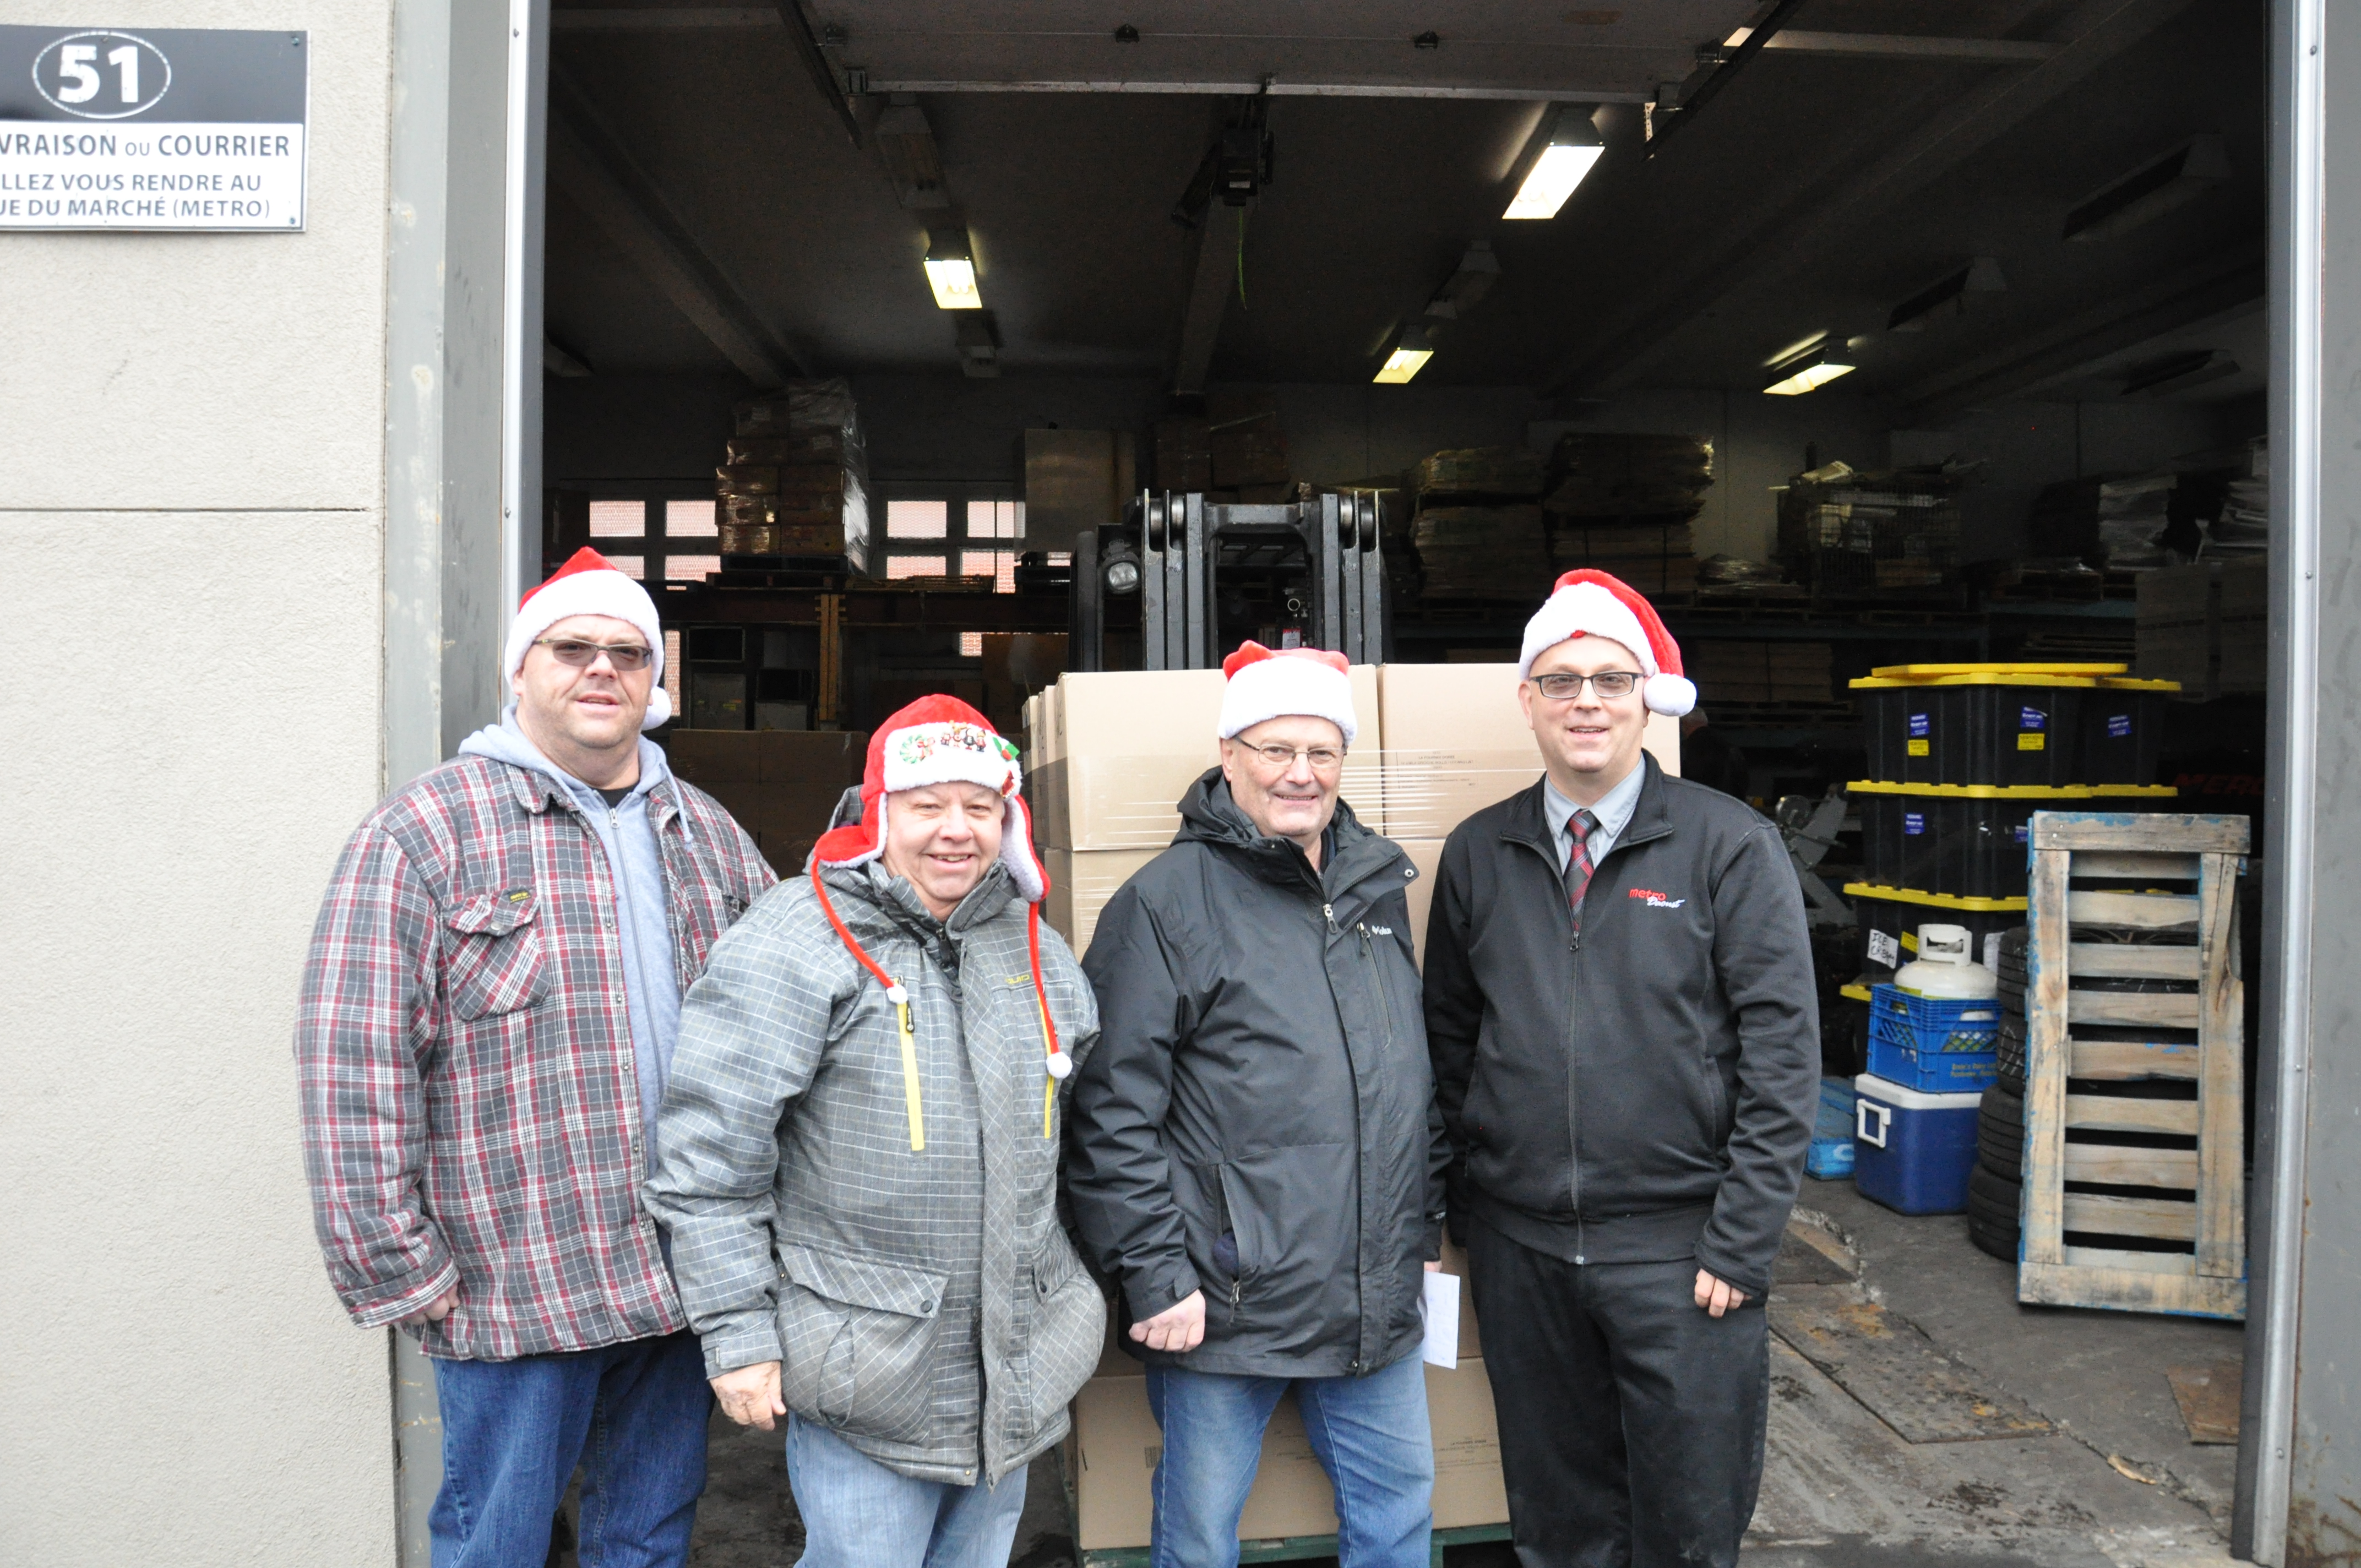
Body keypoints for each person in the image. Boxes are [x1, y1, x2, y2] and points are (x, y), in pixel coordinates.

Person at [295, 546, 776, 1568]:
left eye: (628, 652)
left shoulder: (710, 836)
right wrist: (396, 1261)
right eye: (572, 648)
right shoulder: (424, 834)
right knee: (495, 1545)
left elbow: (788, 1027)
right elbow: (353, 1059)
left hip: (677, 1272)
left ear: (656, 683)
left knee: (644, 1541)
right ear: (521, 671)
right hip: (515, 1278)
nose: (602, 668)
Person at [645, 695, 1103, 1568]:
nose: (955, 831)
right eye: (927, 805)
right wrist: (737, 1336)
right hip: (868, 1372)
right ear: (878, 813)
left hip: (1013, 1369)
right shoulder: (796, 939)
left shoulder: (1035, 950)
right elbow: (708, 1161)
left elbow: (1072, 1138)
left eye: (980, 807)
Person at [1423, 570, 1818, 1568]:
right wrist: (1471, 1213)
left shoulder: (1731, 846)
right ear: (1528, 701)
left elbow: (1783, 1057)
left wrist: (1743, 1238)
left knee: (1689, 1526)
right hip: (1524, 1255)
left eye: (1610, 678)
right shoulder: (1480, 854)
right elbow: (1449, 1045)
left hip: (1684, 1258)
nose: (1586, 701)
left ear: (1648, 697)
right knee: (1560, 1527)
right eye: (1561, 682)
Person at [1067, 644, 1447, 1568]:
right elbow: (1108, 1110)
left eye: (1321, 753)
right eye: (1276, 750)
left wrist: (1421, 1226)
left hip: (1373, 1287)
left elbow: (1408, 1073)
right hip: (1224, 1301)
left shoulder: (1375, 890)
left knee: (1399, 1516)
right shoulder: (1164, 904)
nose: (1300, 774)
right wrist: (1156, 1276)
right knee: (1199, 1535)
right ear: (1229, 753)